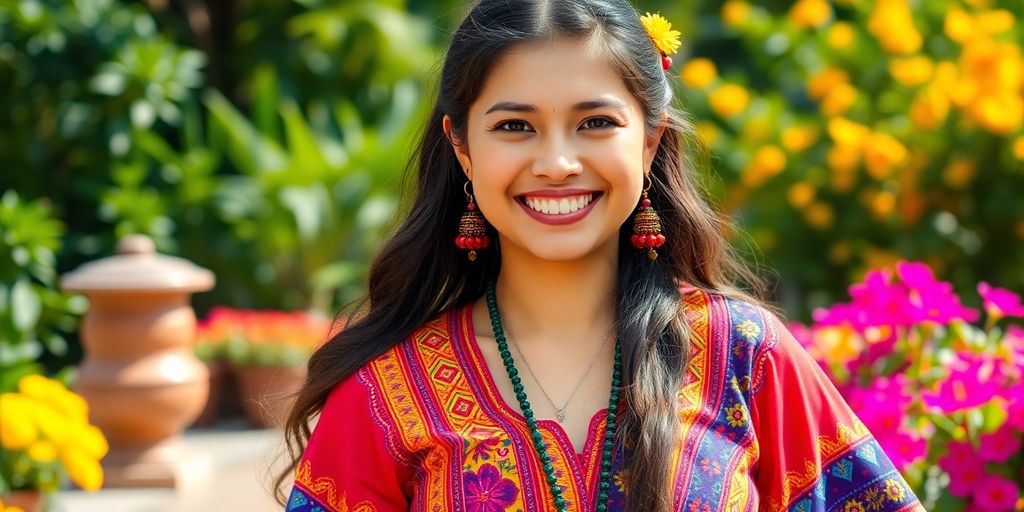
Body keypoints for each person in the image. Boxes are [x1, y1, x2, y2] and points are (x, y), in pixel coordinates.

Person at [275, 1, 925, 511]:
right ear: (463, 148)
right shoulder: (387, 394)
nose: (557, 163)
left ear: (649, 140)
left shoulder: (747, 356)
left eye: (595, 123)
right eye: (514, 126)